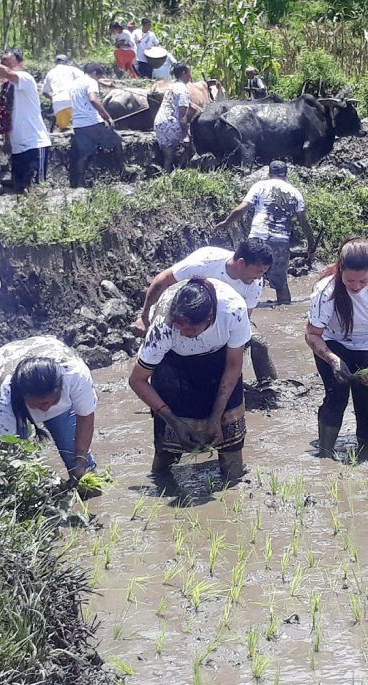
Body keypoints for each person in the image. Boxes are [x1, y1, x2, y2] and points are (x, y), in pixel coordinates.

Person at [129, 278, 252, 481]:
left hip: (219, 361)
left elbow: (233, 366)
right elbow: (137, 380)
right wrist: (174, 422)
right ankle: (162, 483)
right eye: (181, 330)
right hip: (173, 365)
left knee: (230, 439)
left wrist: (216, 415)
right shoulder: (163, 327)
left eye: (192, 331)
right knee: (167, 447)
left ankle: (233, 482)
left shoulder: (233, 311)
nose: (186, 335)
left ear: (210, 318)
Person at [305, 237, 368, 459]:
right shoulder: (325, 289)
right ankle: (326, 454)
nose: (356, 286)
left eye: (362, 282)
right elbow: (312, 335)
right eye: (350, 281)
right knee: (336, 396)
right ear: (341, 269)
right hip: (331, 343)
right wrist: (332, 359)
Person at [133, 239, 277, 381]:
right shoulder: (204, 263)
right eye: (258, 271)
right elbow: (162, 280)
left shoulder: (255, 282)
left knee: (258, 343)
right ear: (241, 263)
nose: (260, 277)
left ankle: (269, 386)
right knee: (167, 348)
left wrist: (237, 345)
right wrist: (144, 318)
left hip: (223, 318)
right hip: (184, 312)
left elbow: (245, 317)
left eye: (264, 272)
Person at [0, 336, 98, 481]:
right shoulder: (1, 398)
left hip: (50, 351)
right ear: (24, 396)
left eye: (51, 401)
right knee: (14, 469)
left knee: (83, 472)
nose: (45, 409)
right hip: (3, 365)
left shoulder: (75, 375)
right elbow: (4, 449)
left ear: (61, 388)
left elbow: (86, 418)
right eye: (39, 404)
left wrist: (81, 460)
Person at [216, 160, 315, 304]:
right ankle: (284, 310)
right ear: (286, 175)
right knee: (281, 284)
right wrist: (311, 246)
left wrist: (226, 223)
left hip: (258, 238)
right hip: (280, 241)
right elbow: (304, 222)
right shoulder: (295, 193)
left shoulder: (260, 186)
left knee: (245, 276)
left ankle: (237, 307)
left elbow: (242, 209)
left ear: (269, 173)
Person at [0, 49, 51, 192]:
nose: (5, 62)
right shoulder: (7, 86)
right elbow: (6, 114)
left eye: (8, 59)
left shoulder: (24, 78)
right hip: (17, 147)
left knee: (37, 189)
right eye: (2, 60)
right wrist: (7, 140)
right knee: (19, 191)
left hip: (34, 143)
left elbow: (9, 73)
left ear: (20, 62)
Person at [69, 63, 125, 188]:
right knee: (116, 141)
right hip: (92, 122)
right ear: (94, 73)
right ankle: (123, 170)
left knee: (83, 154)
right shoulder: (90, 82)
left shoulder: (74, 83)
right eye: (98, 76)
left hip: (78, 124)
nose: (98, 78)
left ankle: (79, 182)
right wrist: (107, 117)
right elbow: (93, 99)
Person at [154, 62, 196, 172]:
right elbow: (182, 115)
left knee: (168, 157)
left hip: (160, 122)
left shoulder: (172, 86)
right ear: (184, 73)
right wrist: (185, 134)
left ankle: (165, 177)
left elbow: (189, 105)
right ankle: (178, 172)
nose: (190, 76)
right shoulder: (183, 89)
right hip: (171, 123)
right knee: (191, 145)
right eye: (189, 73)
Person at [42, 54, 84, 131]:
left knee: (64, 128)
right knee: (80, 126)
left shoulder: (50, 73)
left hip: (58, 102)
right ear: (66, 62)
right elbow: (85, 79)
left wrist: (52, 98)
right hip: (72, 100)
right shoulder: (72, 69)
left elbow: (44, 92)